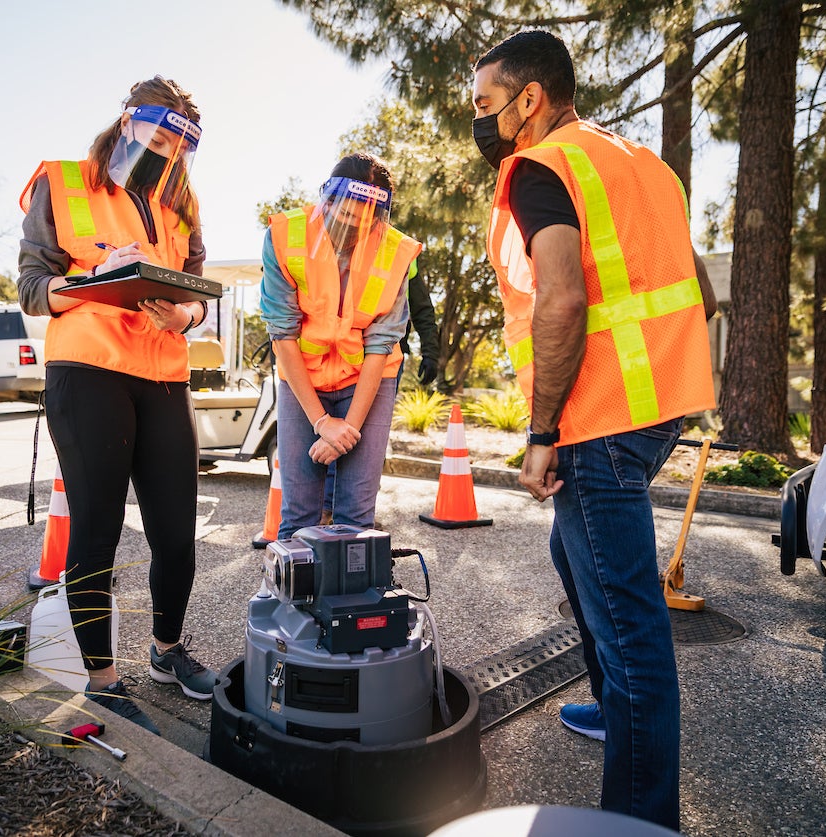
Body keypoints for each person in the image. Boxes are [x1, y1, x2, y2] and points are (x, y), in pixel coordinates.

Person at [472, 31, 718, 829]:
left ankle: (643, 816)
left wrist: (543, 431)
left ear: (529, 100)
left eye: (486, 106)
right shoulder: (642, 165)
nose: (483, 122)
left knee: (628, 625)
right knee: (573, 556)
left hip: (597, 420)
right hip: (654, 412)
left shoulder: (542, 167)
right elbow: (702, 292)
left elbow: (563, 299)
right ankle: (620, 715)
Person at [17, 75, 219, 736]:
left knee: (175, 533)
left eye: (182, 144)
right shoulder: (66, 182)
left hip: (163, 373)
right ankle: (103, 679)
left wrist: (185, 314)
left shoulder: (182, 202)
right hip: (88, 371)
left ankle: (166, 652)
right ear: (129, 121)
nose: (169, 152)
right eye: (160, 134)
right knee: (97, 530)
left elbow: (198, 292)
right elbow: (31, 285)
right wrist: (93, 286)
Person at [260, 153, 422, 537]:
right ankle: (293, 597)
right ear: (326, 200)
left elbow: (381, 344)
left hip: (368, 380)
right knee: (298, 511)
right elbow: (282, 332)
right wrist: (321, 422)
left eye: (361, 222)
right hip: (302, 381)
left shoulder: (396, 251)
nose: (348, 228)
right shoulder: (285, 236)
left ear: (380, 218)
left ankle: (351, 596)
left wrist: (345, 430)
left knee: (356, 514)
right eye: (343, 215)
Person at [320, 258, 438, 524]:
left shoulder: (399, 251)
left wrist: (431, 351)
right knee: (334, 432)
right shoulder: (338, 243)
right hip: (336, 356)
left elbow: (421, 308)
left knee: (368, 440)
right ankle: (327, 510)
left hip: (384, 359)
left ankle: (352, 514)